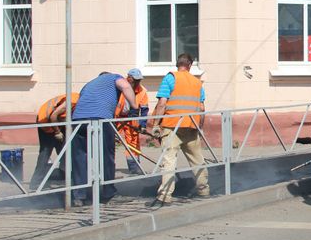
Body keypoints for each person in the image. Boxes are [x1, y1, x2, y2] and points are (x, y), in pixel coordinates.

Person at [70, 72, 138, 206]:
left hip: (78, 120)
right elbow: (125, 87)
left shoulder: (89, 84)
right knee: (106, 156)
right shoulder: (114, 77)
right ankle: (109, 193)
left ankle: (78, 196)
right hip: (100, 119)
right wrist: (134, 107)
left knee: (80, 158)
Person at [149, 53, 208, 204]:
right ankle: (204, 190)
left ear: (177, 64)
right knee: (197, 160)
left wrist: (156, 124)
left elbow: (162, 103)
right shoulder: (197, 83)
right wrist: (199, 127)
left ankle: (165, 195)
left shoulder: (170, 78)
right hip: (191, 126)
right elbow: (201, 108)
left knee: (168, 161)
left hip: (172, 126)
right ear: (190, 65)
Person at [30, 92, 80, 189]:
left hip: (56, 122)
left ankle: (65, 175)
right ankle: (36, 182)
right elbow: (54, 115)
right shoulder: (73, 101)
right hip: (46, 122)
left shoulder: (78, 100)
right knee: (45, 152)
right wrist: (57, 132)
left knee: (64, 150)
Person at [114, 68, 149, 174]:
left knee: (133, 142)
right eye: (135, 80)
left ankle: (134, 167)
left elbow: (144, 110)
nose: (138, 82)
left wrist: (142, 125)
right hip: (116, 117)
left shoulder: (142, 92)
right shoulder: (119, 86)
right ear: (129, 78)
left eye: (139, 80)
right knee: (111, 141)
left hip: (131, 119)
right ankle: (108, 166)